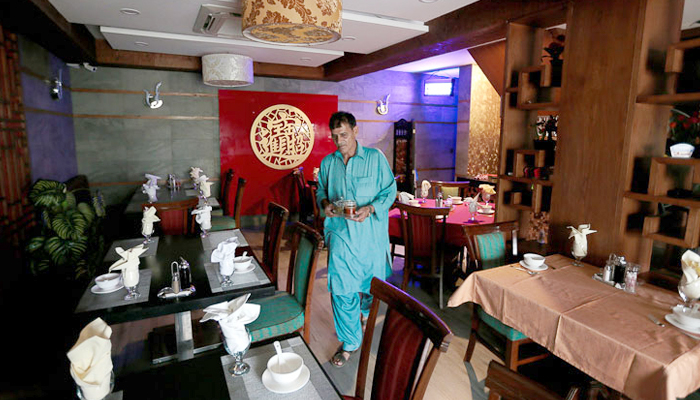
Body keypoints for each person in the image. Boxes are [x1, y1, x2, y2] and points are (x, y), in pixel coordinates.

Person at [316, 111, 397, 368]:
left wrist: (371, 208)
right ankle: (350, 342)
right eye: (334, 136)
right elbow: (321, 191)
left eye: (344, 134)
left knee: (370, 287)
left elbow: (389, 190)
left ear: (355, 130)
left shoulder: (374, 159)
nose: (339, 141)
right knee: (341, 288)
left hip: (370, 237)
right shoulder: (329, 163)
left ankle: (362, 313)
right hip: (340, 234)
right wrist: (325, 203)